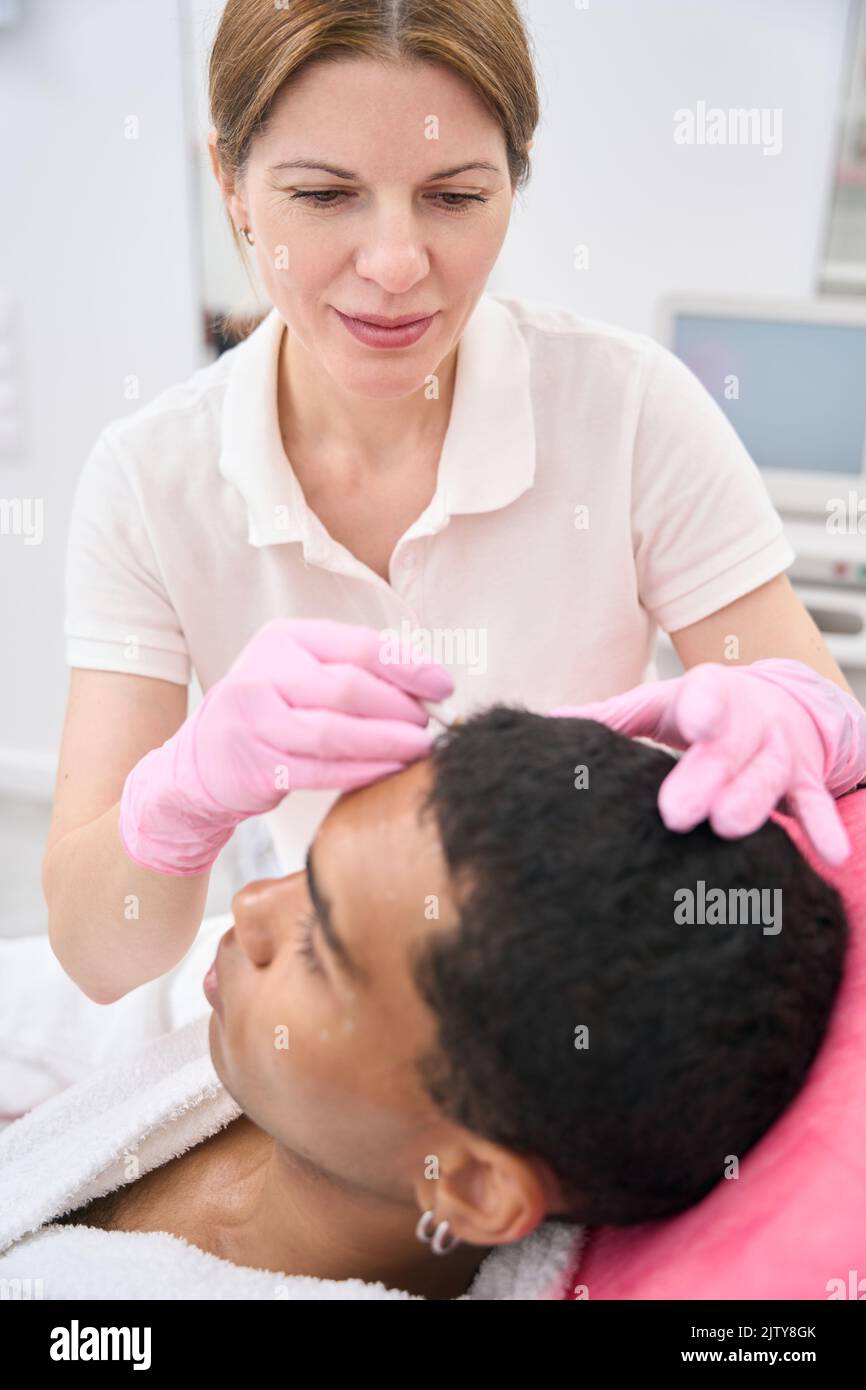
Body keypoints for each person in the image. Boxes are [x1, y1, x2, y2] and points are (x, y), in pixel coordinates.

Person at [44, 0, 864, 1010]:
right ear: (232, 185)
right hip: (346, 1013)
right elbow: (98, 955)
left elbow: (834, 773)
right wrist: (181, 797)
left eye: (452, 196)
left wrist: (798, 726)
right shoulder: (150, 478)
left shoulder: (626, 408)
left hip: (589, 988)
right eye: (324, 193)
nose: (394, 265)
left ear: (513, 177)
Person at [3, 710, 848, 1300]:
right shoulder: (312, 1074)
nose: (255, 905)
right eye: (310, 873)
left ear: (474, 1184)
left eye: (319, 945)